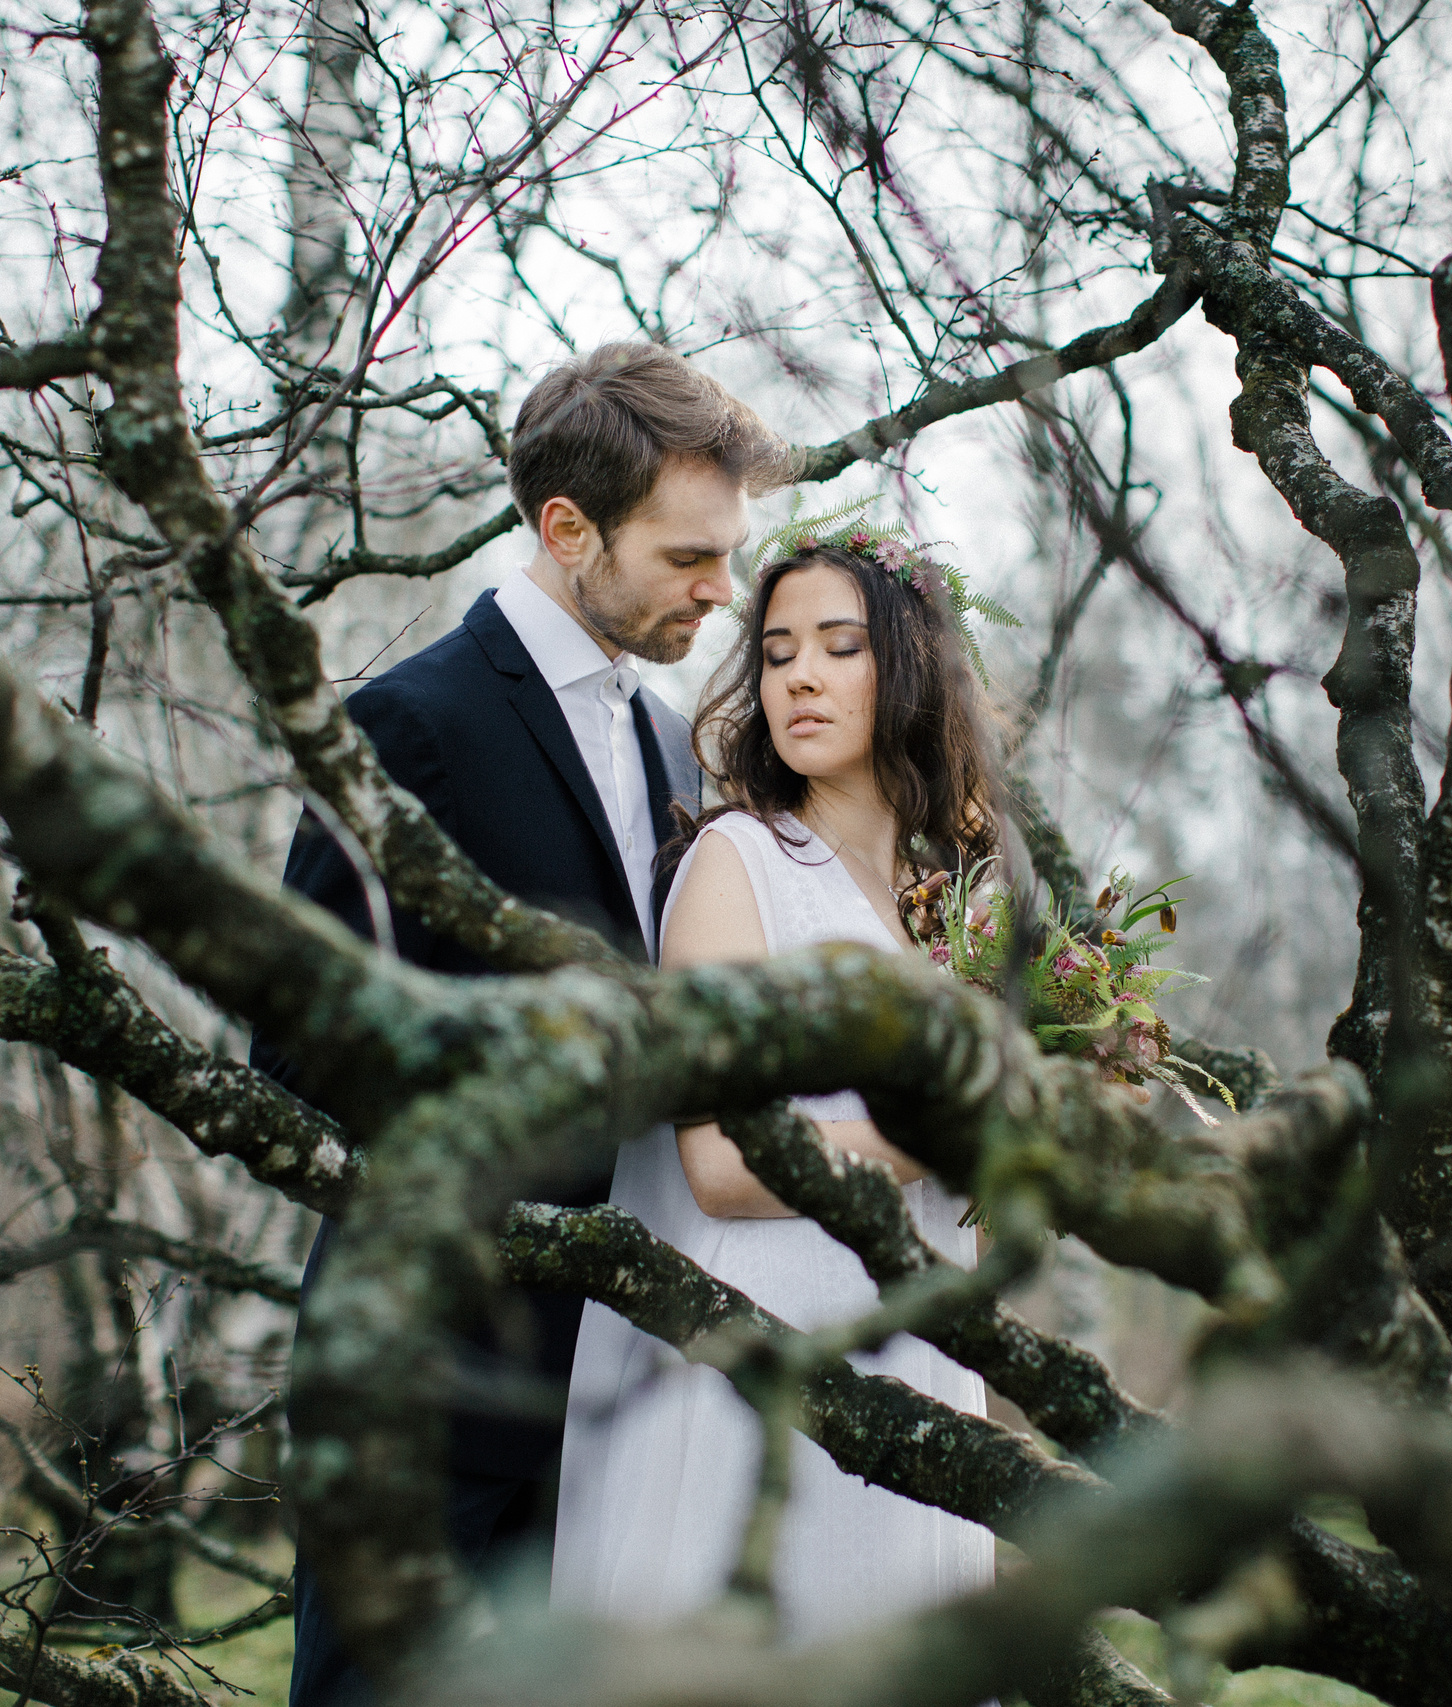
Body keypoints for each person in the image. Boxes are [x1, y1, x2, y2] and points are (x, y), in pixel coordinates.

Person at [258, 342, 792, 1707]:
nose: (720, 592)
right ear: (567, 528)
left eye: (728, 555)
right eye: (689, 556)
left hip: (615, 1396)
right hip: (423, 1391)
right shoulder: (408, 728)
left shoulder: (674, 745)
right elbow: (294, 1052)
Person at [550, 533, 1003, 1640]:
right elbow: (717, 1163)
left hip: (922, 1343)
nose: (798, 675)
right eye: (778, 651)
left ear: (911, 674)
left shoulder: (954, 902)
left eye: (840, 647)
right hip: (768, 1341)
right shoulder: (737, 863)